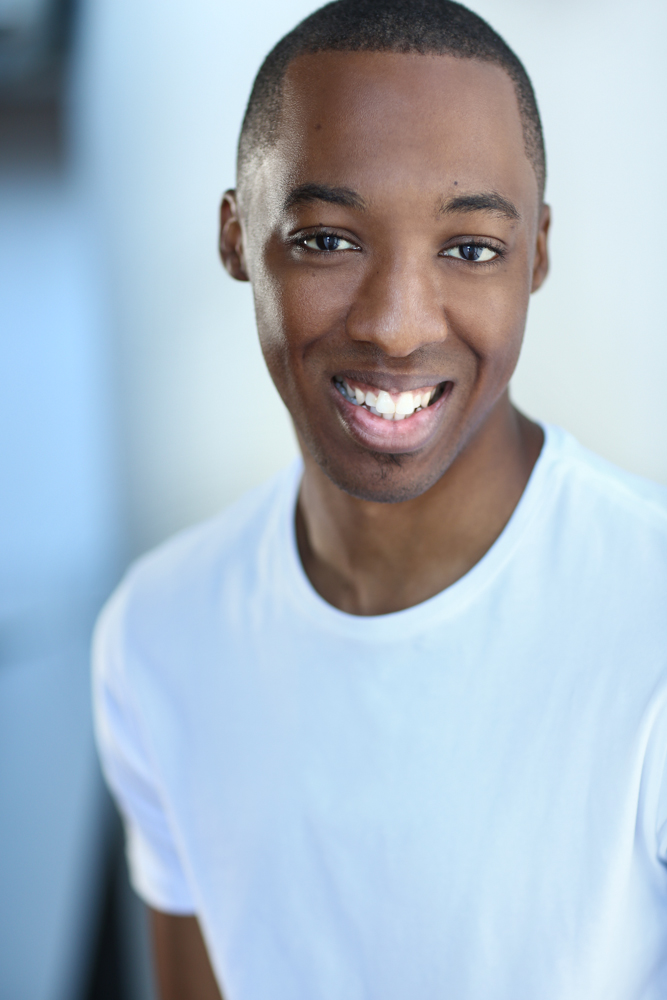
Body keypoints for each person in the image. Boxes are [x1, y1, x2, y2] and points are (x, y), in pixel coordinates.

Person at [92, 1, 667, 997]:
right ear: (237, 236)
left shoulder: (648, 618)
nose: (397, 326)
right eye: (327, 240)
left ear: (536, 253)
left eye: (470, 249)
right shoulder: (157, 635)